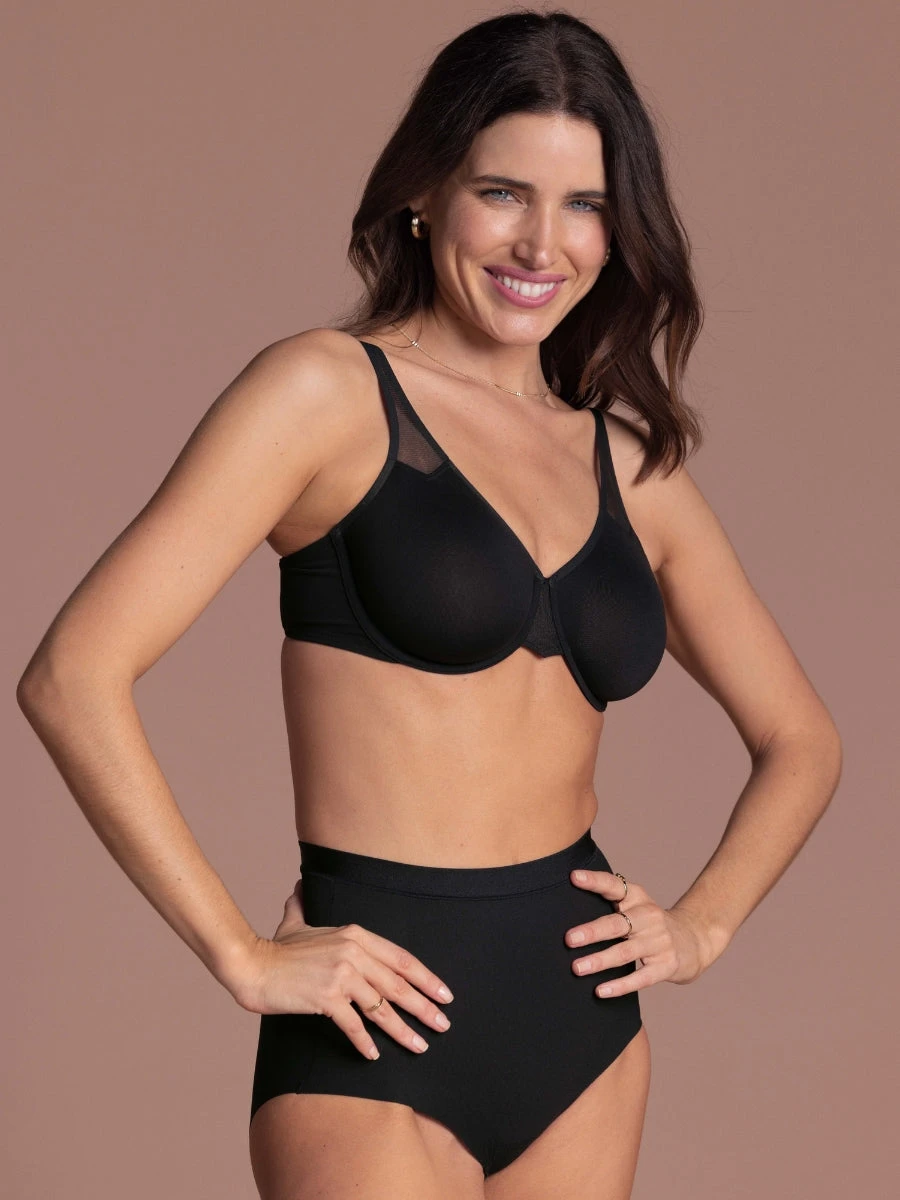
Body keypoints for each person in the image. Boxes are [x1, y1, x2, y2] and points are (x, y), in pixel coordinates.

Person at [16, 10, 842, 1200]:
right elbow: (72, 675)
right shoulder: (323, 393)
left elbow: (802, 739)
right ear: (423, 193)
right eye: (503, 193)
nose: (541, 242)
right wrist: (239, 952)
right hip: (375, 1030)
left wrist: (702, 925)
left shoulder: (629, 464)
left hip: (582, 1027)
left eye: (584, 204)